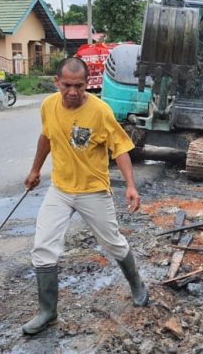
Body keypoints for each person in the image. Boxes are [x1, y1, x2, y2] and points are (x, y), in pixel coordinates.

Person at [22, 57, 148, 336]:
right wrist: (35, 170)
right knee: (43, 247)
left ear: (87, 84)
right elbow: (46, 138)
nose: (73, 92)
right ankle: (47, 311)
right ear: (57, 82)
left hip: (93, 191)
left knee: (114, 244)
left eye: (79, 86)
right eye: (67, 85)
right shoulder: (48, 106)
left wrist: (130, 185)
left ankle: (137, 284)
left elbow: (121, 149)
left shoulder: (100, 111)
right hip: (60, 190)